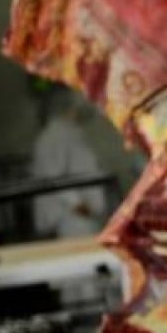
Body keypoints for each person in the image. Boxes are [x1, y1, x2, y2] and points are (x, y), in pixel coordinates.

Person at [31, 87, 107, 239]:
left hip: (84, 215)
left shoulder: (72, 132)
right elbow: (52, 178)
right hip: (70, 219)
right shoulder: (54, 136)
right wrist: (77, 204)